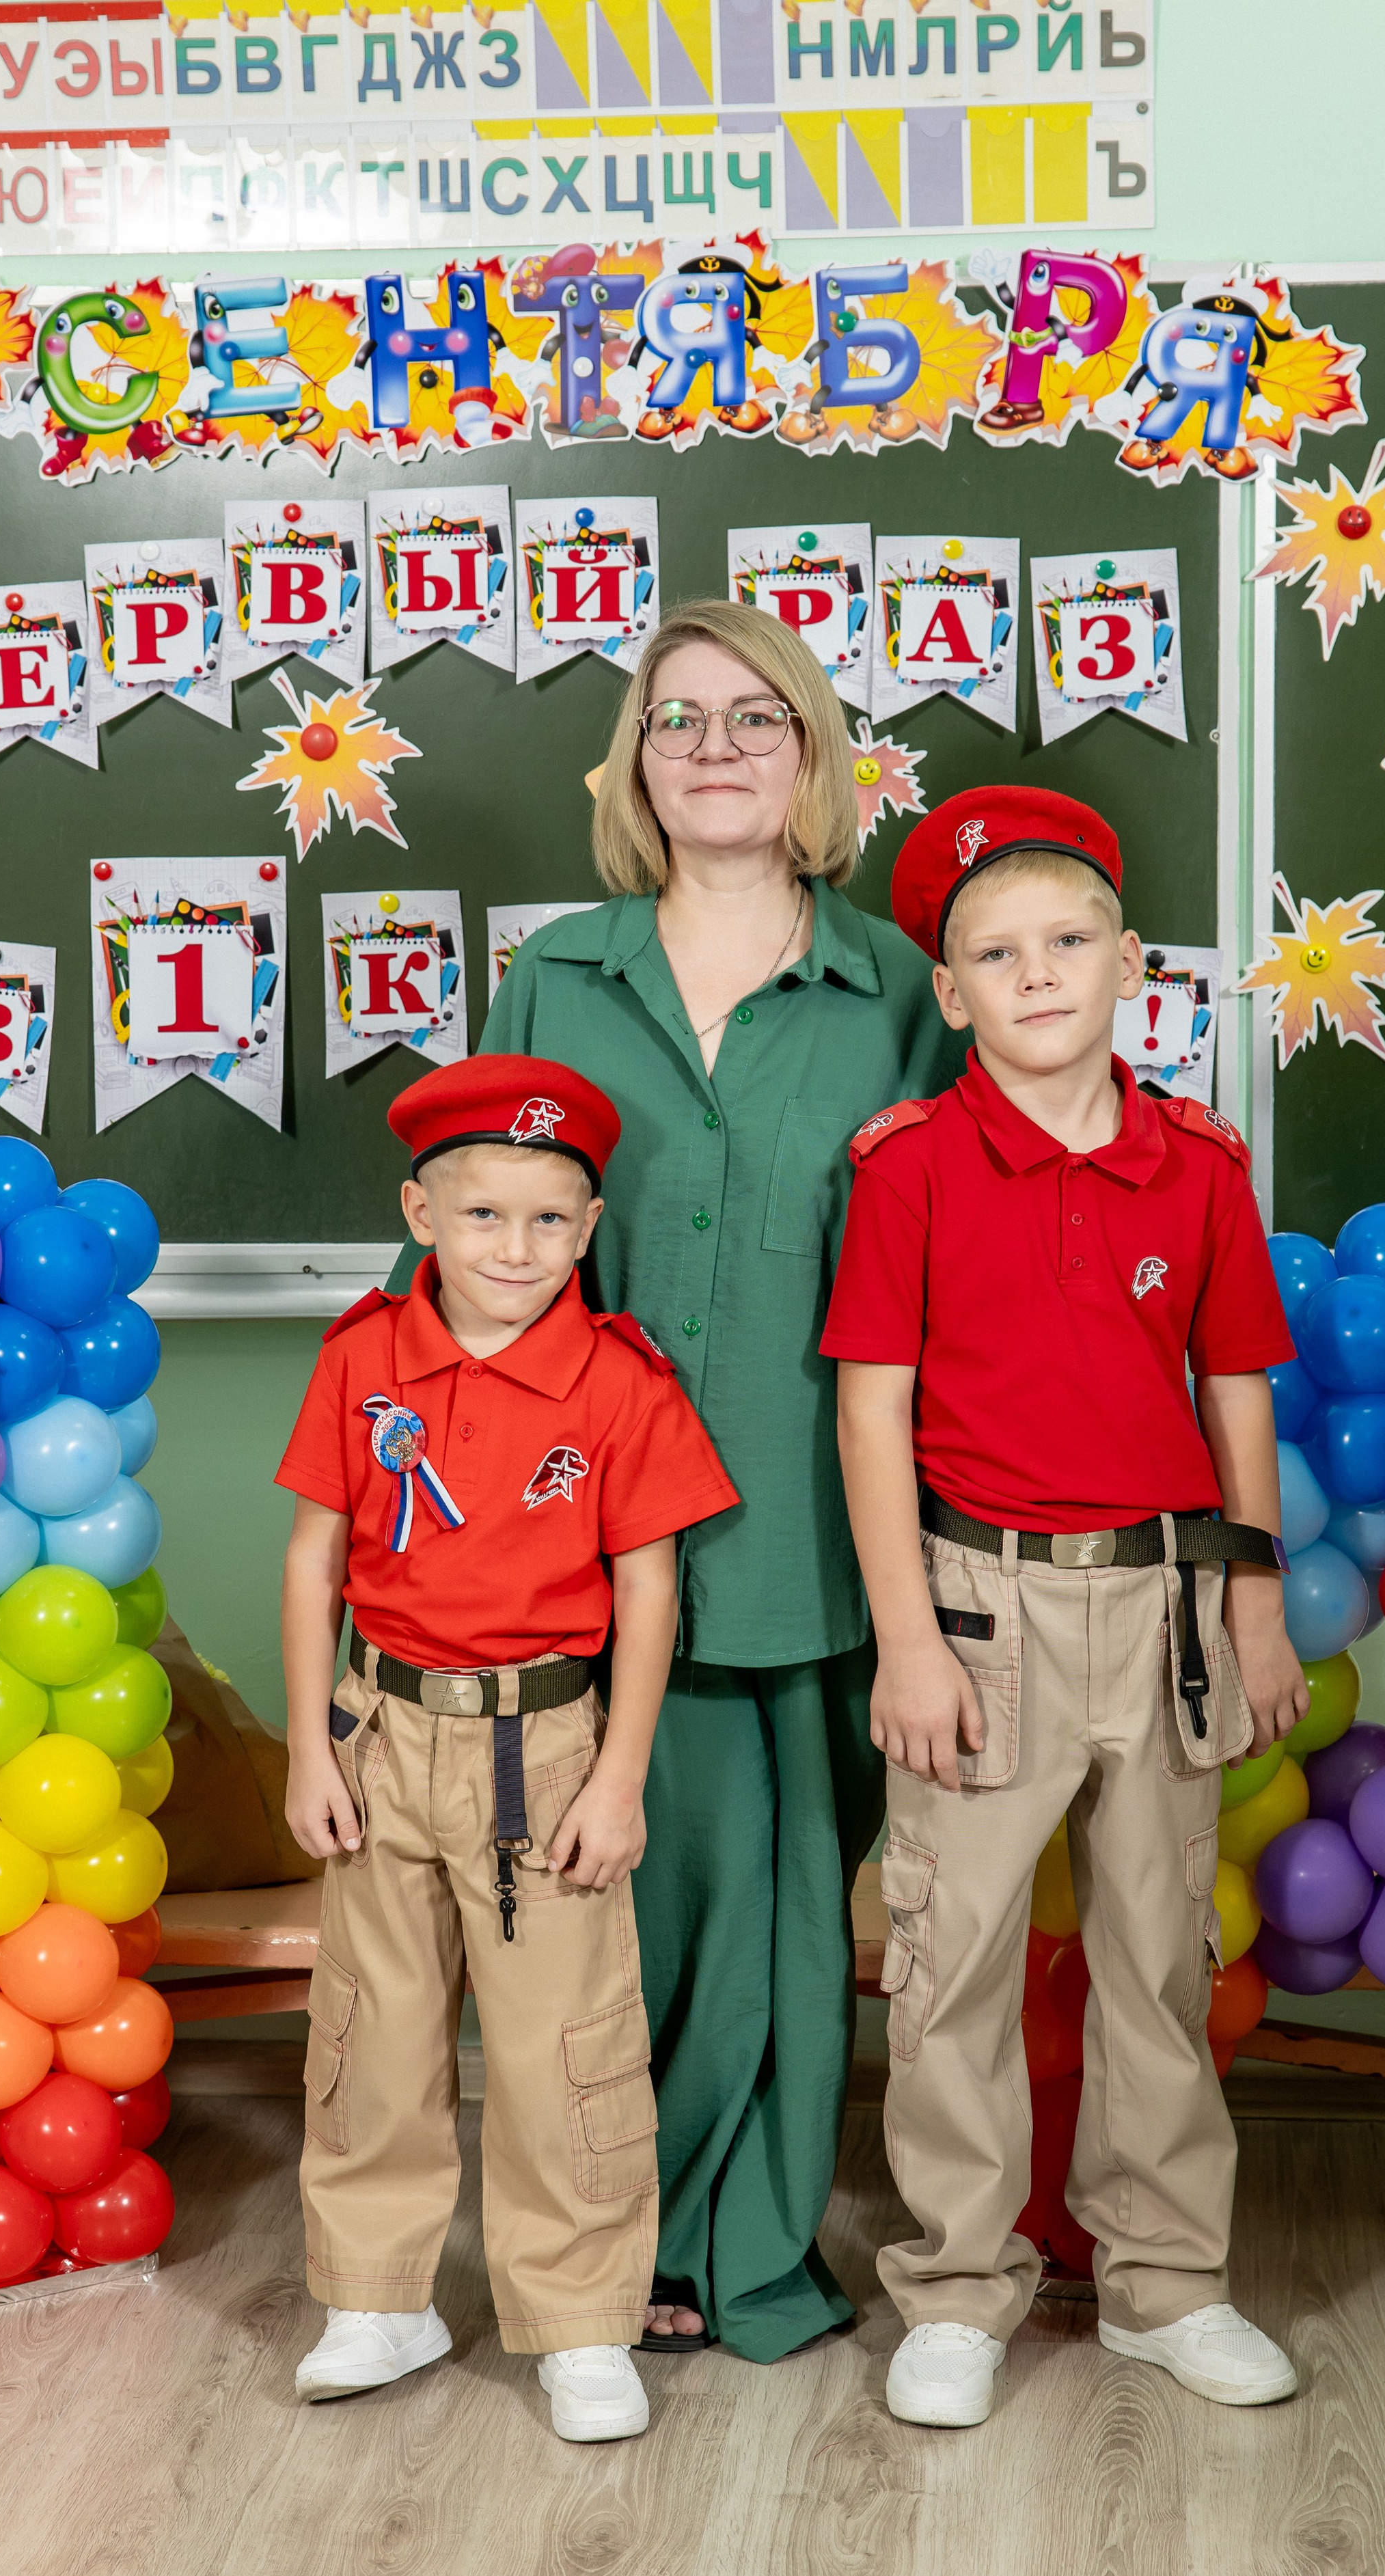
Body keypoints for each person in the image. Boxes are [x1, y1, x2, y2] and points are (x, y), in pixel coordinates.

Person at [389, 600, 959, 2359]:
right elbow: (484, 1249)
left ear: (811, 757)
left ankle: (739, 2250)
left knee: (788, 1908)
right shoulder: (557, 972)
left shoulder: (891, 989)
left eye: (752, 718)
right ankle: (601, 2251)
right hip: (570, 1525)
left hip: (814, 1507)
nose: (710, 748)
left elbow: (959, 1247)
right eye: (673, 721)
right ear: (634, 762)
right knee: (603, 1903)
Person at [823, 786, 1308, 2427]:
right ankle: (957, 2288)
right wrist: (902, 1636)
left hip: (1164, 1596)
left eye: (1067, 941)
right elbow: (869, 1411)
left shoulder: (1196, 1165)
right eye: (992, 954)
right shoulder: (907, 1169)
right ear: (947, 992)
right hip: (974, 1605)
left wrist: (1253, 1604)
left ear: (1127, 963)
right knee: (947, 1959)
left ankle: (1163, 2280)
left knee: (1155, 1951)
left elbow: (1234, 1388)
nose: (1036, 975)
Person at [277, 1055, 737, 2441]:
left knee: (561, 2045)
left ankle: (580, 2317)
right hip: (379, 1731)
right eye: (482, 1216)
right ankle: (378, 2295)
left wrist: (616, 1775)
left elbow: (651, 1586)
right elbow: (316, 1561)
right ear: (420, 1213)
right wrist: (310, 1745)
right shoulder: (361, 1356)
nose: (514, 1249)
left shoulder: (617, 1378)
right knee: (373, 2025)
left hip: (540, 1748)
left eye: (548, 1220)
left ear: (588, 1227)